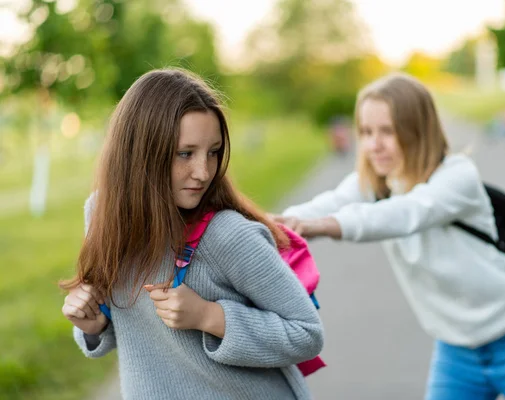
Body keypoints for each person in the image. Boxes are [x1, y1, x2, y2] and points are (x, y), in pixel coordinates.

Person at [273, 72, 505, 399]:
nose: (374, 144)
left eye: (387, 131)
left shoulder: (457, 177)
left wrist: (324, 226)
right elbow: (322, 205)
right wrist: (269, 225)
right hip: (456, 349)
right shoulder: (375, 183)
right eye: (366, 132)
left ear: (418, 129)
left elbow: (405, 214)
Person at [60, 68, 324, 400]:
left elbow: (306, 333)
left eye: (213, 152)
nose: (203, 172)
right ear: (140, 153)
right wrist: (93, 324)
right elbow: (131, 324)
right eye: (186, 153)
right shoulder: (102, 216)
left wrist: (209, 316)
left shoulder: (229, 236)